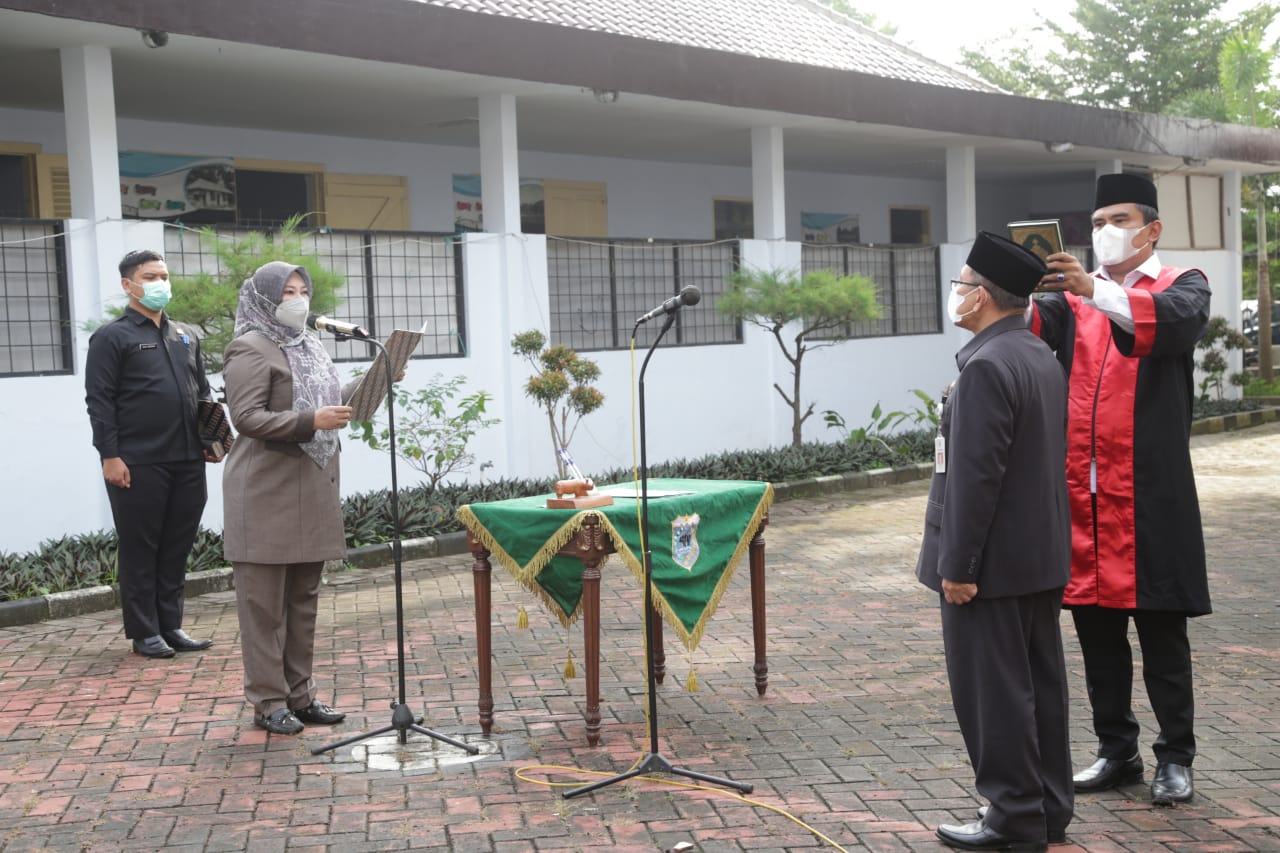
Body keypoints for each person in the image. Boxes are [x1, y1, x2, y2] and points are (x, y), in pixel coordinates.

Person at [1037, 173, 1211, 806]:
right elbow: (1026, 329)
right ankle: (1117, 751)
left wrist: (1096, 291)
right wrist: (999, 285)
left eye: (1119, 219)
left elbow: (1171, 327)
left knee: (1163, 636)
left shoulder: (1184, 285)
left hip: (1149, 497)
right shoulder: (1072, 300)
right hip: (1083, 499)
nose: (1105, 231)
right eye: (1097, 221)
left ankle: (1176, 758)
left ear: (1151, 229)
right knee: (1098, 638)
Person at [917, 232, 1073, 852]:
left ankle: (1012, 817)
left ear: (980, 296)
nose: (954, 293)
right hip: (1036, 558)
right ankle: (1047, 808)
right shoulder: (1035, 352)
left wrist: (958, 566)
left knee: (995, 696)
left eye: (959, 284)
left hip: (990, 567)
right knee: (1040, 690)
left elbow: (976, 478)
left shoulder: (986, 366)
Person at [222, 261, 354, 735]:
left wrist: (372, 383)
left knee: (303, 602)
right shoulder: (250, 347)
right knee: (263, 609)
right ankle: (268, 702)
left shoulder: (309, 344)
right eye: (287, 293)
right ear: (264, 299)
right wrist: (310, 422)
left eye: (303, 291)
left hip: (310, 487)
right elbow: (246, 418)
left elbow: (324, 402)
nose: (298, 300)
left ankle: (301, 696)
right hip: (266, 492)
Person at [85, 249, 219, 659]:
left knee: (177, 544)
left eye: (164, 276)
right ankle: (144, 632)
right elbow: (99, 401)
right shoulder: (112, 337)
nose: (160, 283)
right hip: (137, 461)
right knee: (141, 547)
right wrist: (110, 455)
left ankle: (170, 625)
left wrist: (214, 440)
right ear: (128, 285)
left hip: (188, 458)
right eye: (150, 277)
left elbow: (202, 393)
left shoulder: (185, 335)